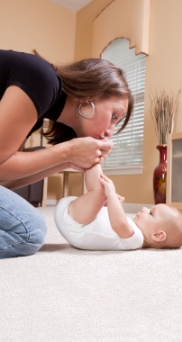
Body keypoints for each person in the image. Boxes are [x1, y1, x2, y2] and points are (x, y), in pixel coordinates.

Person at [0, 49, 133, 258]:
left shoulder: (40, 109)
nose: (110, 132)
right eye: (114, 116)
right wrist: (68, 151)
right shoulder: (42, 78)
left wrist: (68, 162)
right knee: (29, 231)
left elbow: (3, 179)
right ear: (91, 96)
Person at [54, 164, 182, 251]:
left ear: (157, 235)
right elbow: (114, 220)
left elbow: (118, 225)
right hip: (78, 217)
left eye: (150, 213)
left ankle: (91, 156)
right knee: (101, 193)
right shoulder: (133, 232)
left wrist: (111, 195)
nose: (144, 209)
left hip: (75, 225)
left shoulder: (136, 239)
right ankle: (91, 157)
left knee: (100, 189)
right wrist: (111, 203)